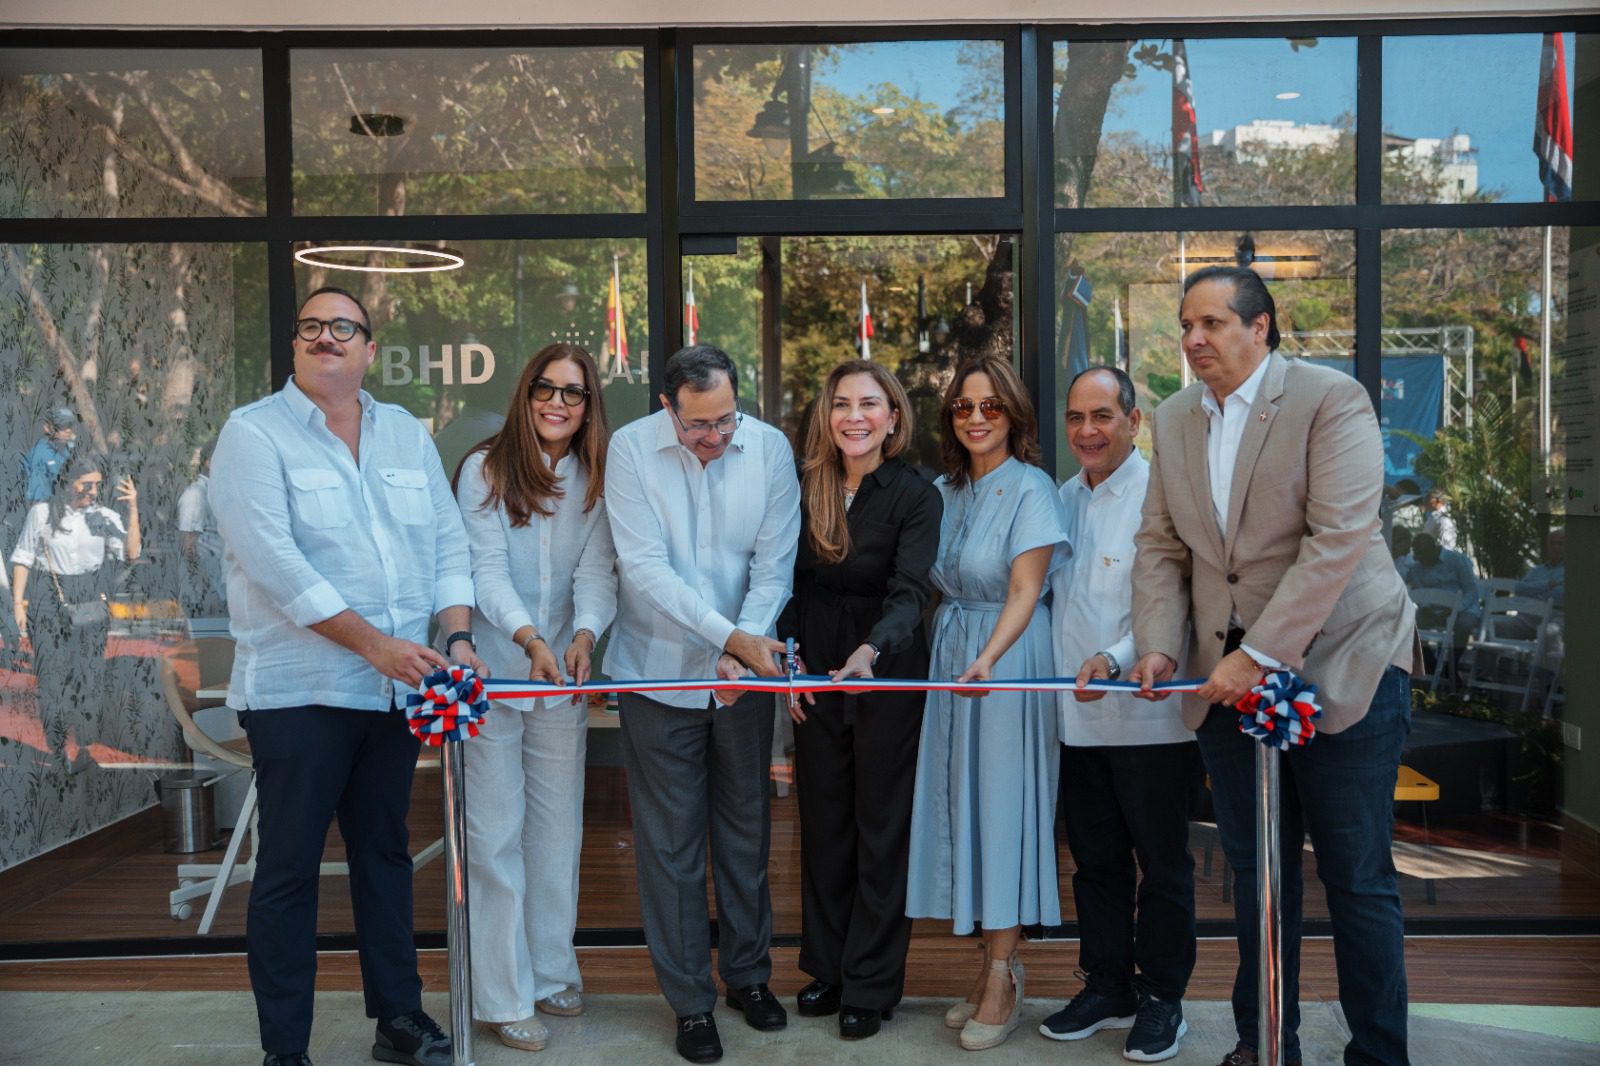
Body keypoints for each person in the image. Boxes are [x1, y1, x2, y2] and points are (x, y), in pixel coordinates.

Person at [1129, 265, 1421, 1066]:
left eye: (1213, 323)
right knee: (1260, 877)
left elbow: (1338, 541)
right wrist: (1158, 640)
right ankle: (1266, 1044)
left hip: (1346, 664)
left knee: (1357, 875)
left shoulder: (1331, 400)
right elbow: (1160, 546)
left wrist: (1258, 657)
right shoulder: (1175, 415)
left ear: (1262, 327)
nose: (1194, 340)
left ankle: (1379, 1054)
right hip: (1229, 684)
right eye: (1187, 325)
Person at [210, 286, 483, 1066]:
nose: (325, 337)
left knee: (384, 855)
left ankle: (398, 1020)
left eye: (343, 327)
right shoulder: (252, 435)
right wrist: (378, 646)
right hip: (300, 694)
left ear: (369, 347)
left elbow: (447, 547)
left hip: (396, 692)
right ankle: (285, 1051)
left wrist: (456, 639)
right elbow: (275, 567)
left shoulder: (403, 432)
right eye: (310, 327)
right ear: (295, 346)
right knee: (289, 870)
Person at [603, 344, 801, 1064]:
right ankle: (690, 1002)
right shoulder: (628, 452)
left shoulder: (770, 449)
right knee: (671, 846)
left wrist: (741, 647)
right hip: (655, 674)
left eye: (725, 421)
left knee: (747, 832)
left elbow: (773, 563)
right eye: (698, 427)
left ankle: (748, 977)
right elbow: (645, 570)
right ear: (667, 408)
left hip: (742, 677)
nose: (714, 438)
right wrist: (729, 637)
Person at [454, 343, 618, 1054]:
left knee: (557, 834)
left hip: (564, 680)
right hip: (496, 674)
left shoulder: (596, 475)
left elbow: (598, 569)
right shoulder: (483, 469)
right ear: (526, 395)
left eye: (573, 393)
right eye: (546, 389)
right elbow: (483, 572)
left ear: (588, 406)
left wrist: (584, 635)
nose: (558, 402)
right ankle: (502, 992)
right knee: (495, 839)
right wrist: (528, 638)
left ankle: (552, 970)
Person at [905, 352, 1069, 1053]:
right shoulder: (943, 490)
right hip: (954, 649)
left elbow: (1027, 591)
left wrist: (990, 657)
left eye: (991, 406)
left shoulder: (1032, 487)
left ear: (1014, 416)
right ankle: (987, 968)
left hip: (1006, 656)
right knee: (961, 809)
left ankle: (1003, 973)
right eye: (964, 407)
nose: (976, 418)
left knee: (1002, 812)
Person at [777, 360, 941, 1041]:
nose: (854, 416)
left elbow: (911, 590)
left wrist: (871, 654)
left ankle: (870, 985)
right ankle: (828, 970)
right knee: (824, 822)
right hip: (814, 665)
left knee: (880, 828)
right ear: (827, 414)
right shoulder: (803, 483)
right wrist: (789, 664)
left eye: (869, 404)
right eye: (841, 403)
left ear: (893, 417)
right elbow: (782, 581)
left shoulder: (915, 494)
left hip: (884, 667)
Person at [1039, 367, 1199, 1063]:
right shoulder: (1060, 497)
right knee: (1095, 862)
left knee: (1162, 865)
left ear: (1133, 422)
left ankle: (1164, 996)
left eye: (1101, 416)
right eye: (1076, 417)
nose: (1086, 431)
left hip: (1149, 715)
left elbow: (1171, 598)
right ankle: (1107, 983)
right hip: (1075, 719)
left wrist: (1114, 656)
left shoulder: (1163, 494)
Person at [10, 452, 140, 773]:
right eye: (86, 485)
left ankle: (82, 747)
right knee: (52, 679)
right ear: (68, 483)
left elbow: (131, 553)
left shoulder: (103, 516)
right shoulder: (41, 514)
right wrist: (17, 604)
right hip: (49, 599)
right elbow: (24, 559)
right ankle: (56, 750)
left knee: (89, 677)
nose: (92, 492)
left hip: (89, 598)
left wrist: (133, 508)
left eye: (97, 486)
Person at [177, 439, 226, 616]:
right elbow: (187, 545)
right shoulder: (195, 495)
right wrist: (205, 586)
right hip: (204, 595)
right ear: (208, 462)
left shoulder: (217, 494)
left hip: (221, 589)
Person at [1405, 532, 1480, 643]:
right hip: (1432, 610)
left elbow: (1471, 590)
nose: (1420, 560)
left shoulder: (1456, 559)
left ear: (1433, 550)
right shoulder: (1417, 567)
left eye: (1424, 556)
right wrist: (1426, 607)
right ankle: (1429, 659)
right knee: (1409, 625)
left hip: (1463, 609)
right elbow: (1418, 590)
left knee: (1464, 626)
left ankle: (1455, 659)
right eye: (1418, 556)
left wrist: (1456, 609)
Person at [21, 406, 78, 504]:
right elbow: (38, 498)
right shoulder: (41, 453)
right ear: (47, 427)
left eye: (70, 425)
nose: (68, 430)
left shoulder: (67, 449)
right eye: (61, 425)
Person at [1422, 487, 1459, 551]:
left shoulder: (1444, 519)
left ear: (1438, 500)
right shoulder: (1433, 516)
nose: (1426, 500)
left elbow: (1448, 544)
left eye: (1430, 497)